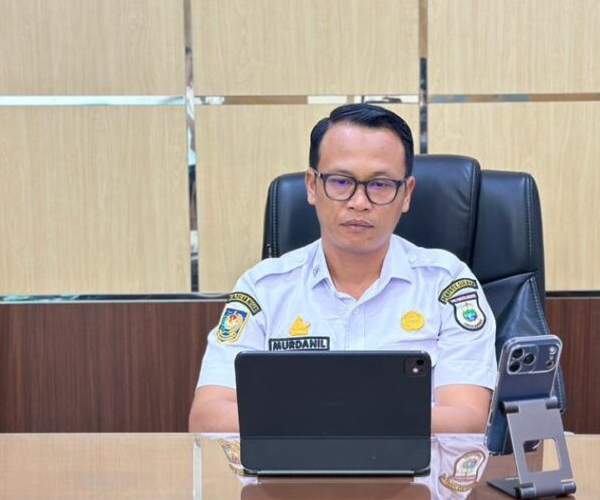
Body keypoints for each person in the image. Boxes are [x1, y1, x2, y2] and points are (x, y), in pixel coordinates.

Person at [189, 103, 497, 434]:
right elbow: (206, 416)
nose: (359, 202)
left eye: (380, 185)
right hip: (295, 469)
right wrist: (351, 421)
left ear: (406, 194)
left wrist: (324, 419)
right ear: (312, 185)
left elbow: (468, 419)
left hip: (417, 469)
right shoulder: (264, 289)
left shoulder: (446, 285)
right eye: (340, 181)